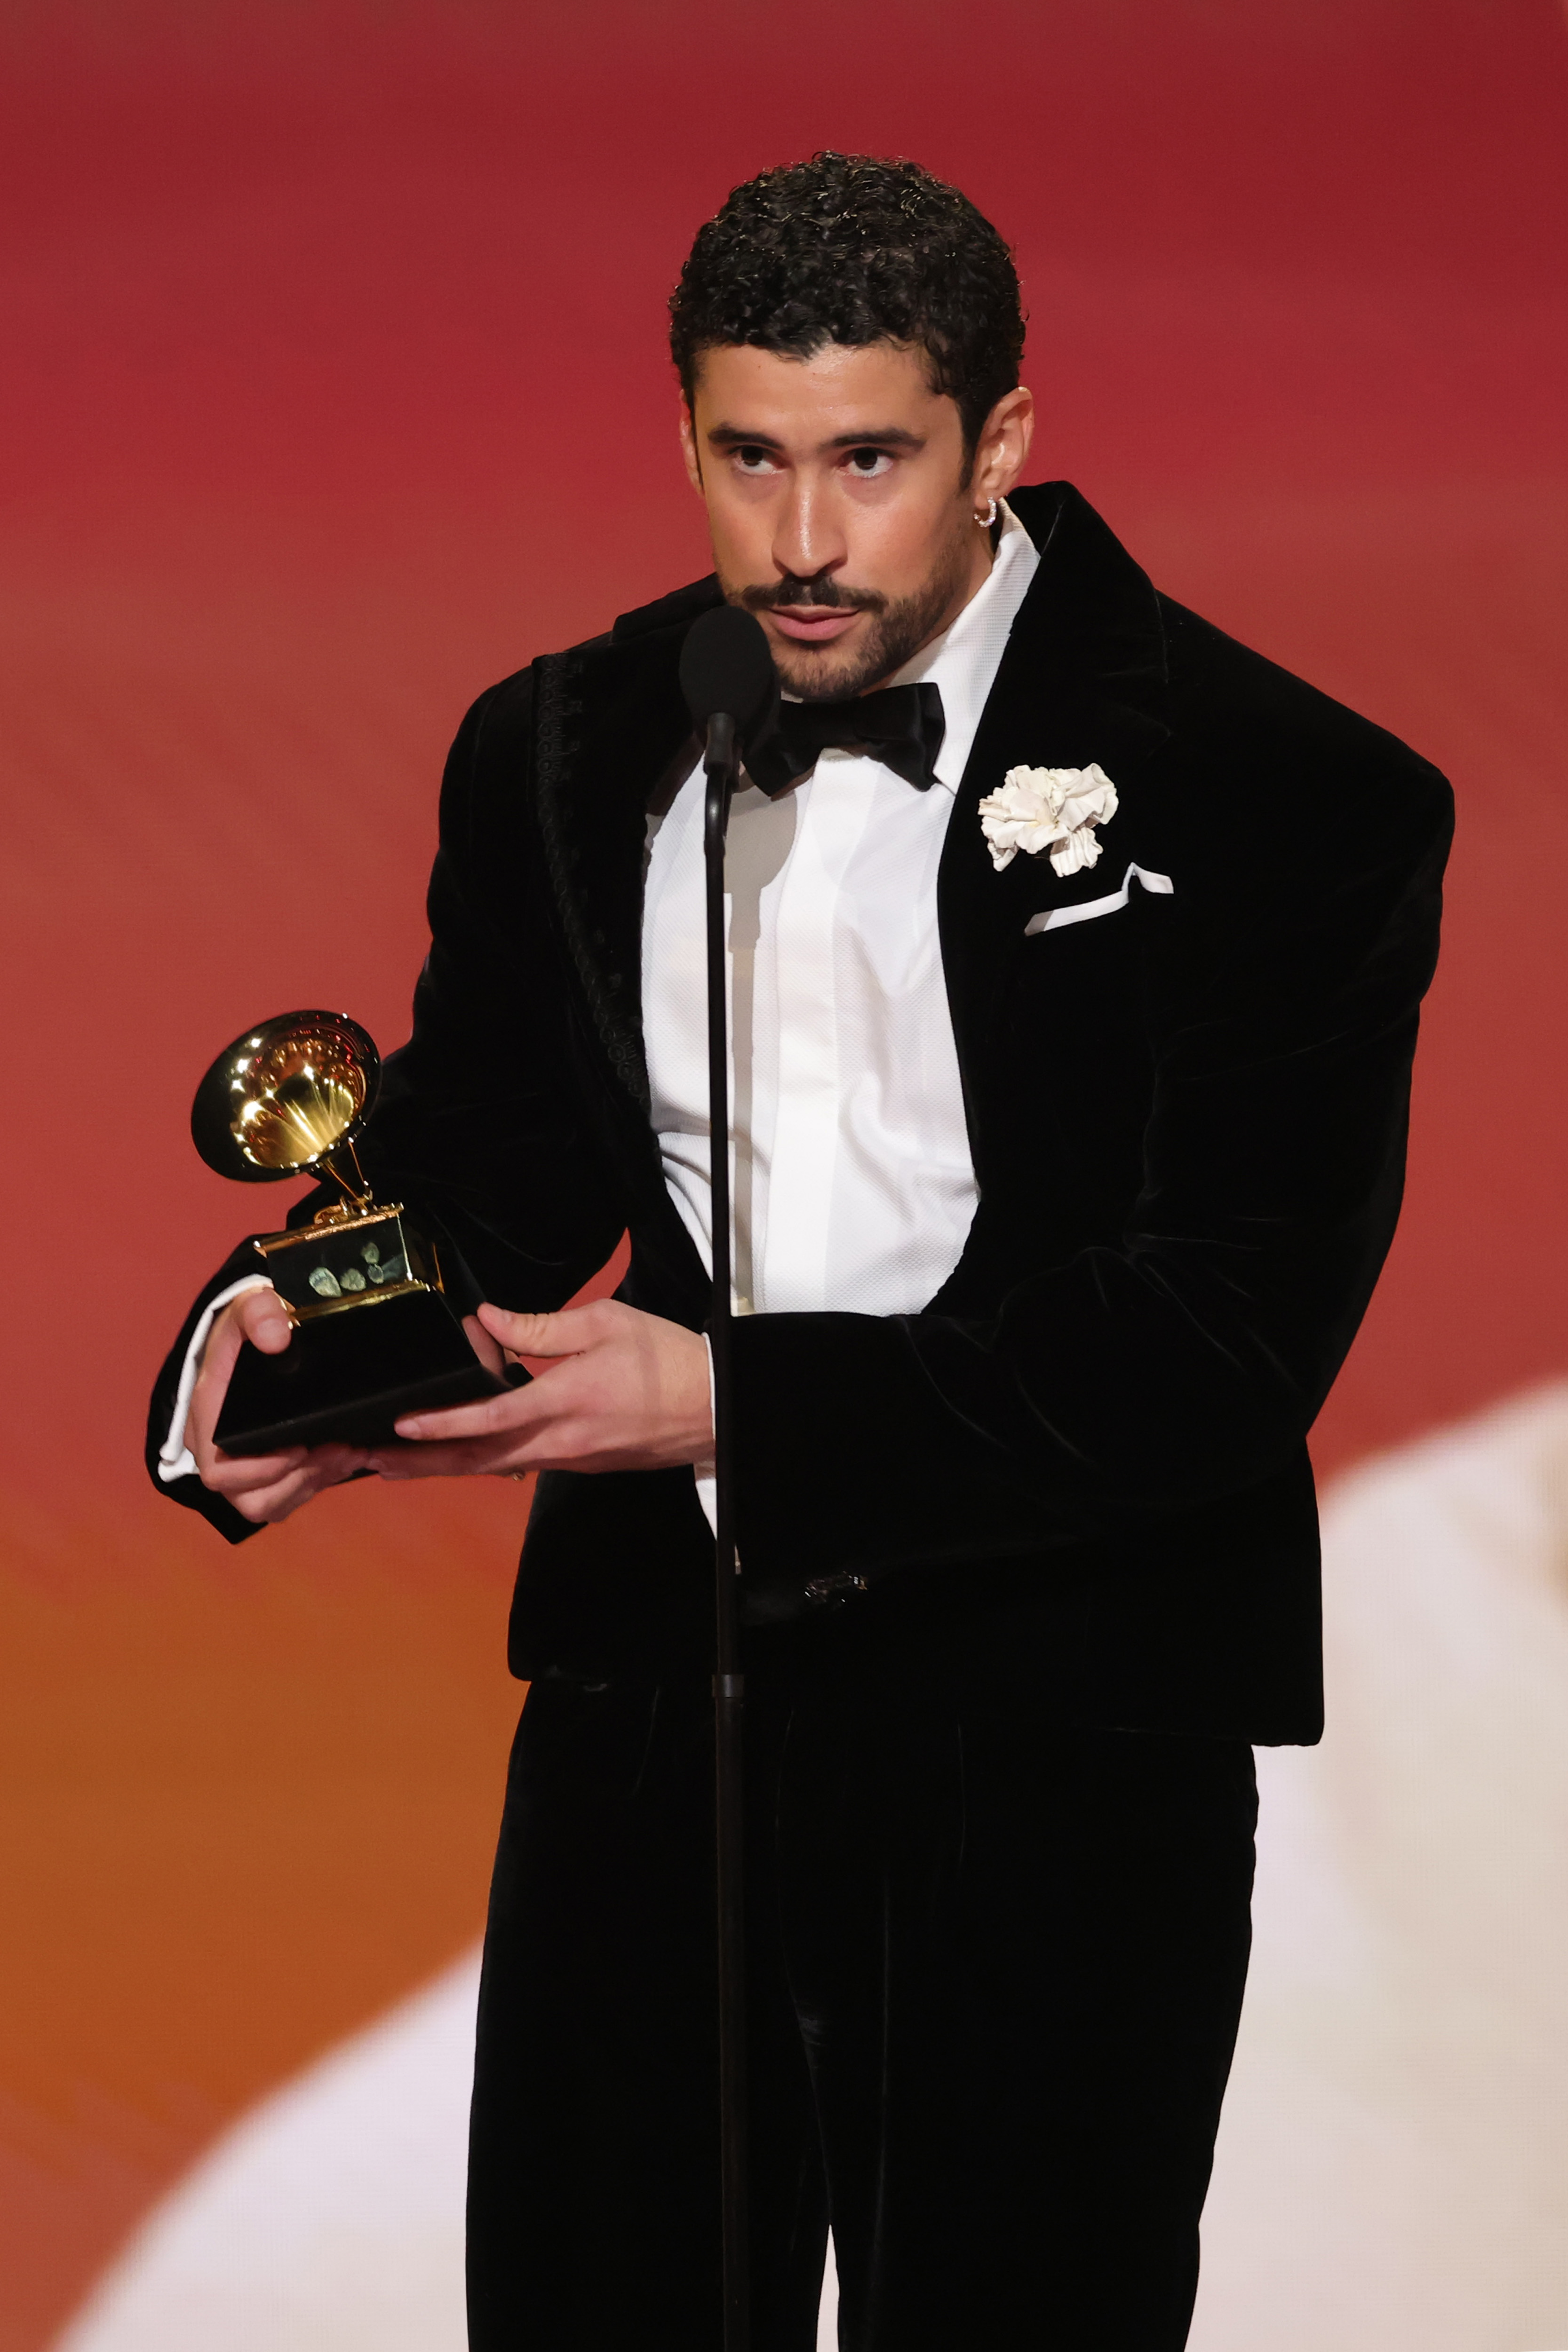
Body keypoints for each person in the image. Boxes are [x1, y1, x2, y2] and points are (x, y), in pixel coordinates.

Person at [147, 152, 1452, 2351]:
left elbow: (1218, 1338)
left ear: (1001, 442)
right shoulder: (560, 745)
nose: (803, 540)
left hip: (1065, 1719)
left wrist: (738, 1397)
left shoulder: (1285, 791)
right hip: (662, 1703)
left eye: (870, 460)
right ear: (684, 435)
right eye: (750, 459)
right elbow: (478, 1151)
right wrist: (300, 1335)